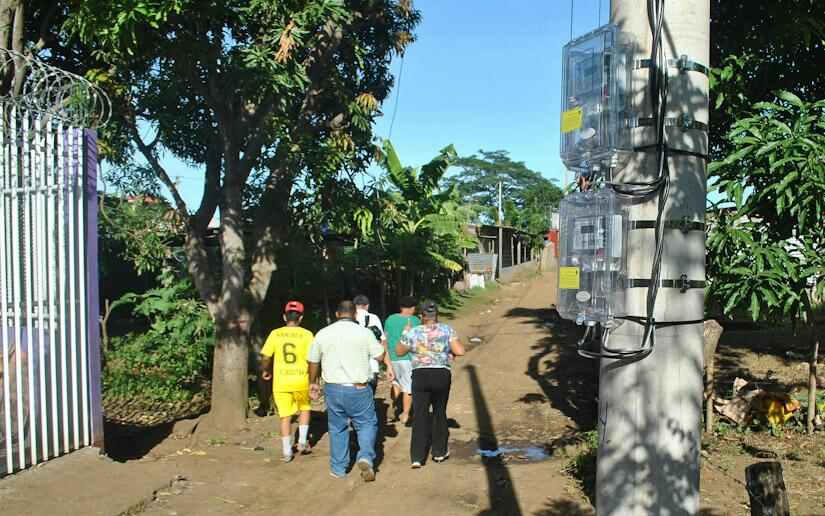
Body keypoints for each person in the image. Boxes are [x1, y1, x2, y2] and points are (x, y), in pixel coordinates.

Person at [308, 300, 386, 481]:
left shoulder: (323, 333)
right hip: (358, 388)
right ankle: (365, 455)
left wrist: (313, 382)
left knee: (337, 428)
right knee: (366, 424)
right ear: (354, 315)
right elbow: (380, 356)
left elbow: (313, 360)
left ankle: (338, 468)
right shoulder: (364, 333)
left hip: (333, 389)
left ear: (337, 314)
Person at [396, 300, 465, 468]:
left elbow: (399, 351)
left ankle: (417, 457)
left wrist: (405, 334)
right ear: (437, 315)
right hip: (441, 374)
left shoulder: (413, 331)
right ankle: (439, 452)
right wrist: (447, 351)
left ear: (421, 316)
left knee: (420, 414)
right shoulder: (447, 329)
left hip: (420, 375)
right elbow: (460, 351)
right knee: (439, 412)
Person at [259, 301, 314, 463]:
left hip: (281, 381)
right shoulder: (307, 335)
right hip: (301, 379)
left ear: (284, 317)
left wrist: (266, 370)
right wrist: (314, 379)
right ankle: (302, 442)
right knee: (304, 408)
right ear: (301, 318)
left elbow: (266, 356)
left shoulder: (275, 334)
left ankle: (286, 451)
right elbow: (313, 359)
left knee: (285, 416)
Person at [383, 296, 420, 424]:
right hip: (407, 358)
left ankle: (393, 405)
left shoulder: (390, 319)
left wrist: (386, 357)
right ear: (411, 308)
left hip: (393, 357)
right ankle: (405, 414)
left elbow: (385, 339)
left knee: (396, 383)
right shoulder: (415, 320)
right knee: (409, 387)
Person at [353, 294, 395, 390]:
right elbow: (383, 342)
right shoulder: (373, 318)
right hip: (371, 367)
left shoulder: (350, 318)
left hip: (351, 370)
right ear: (367, 305)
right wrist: (388, 365)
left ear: (354, 305)